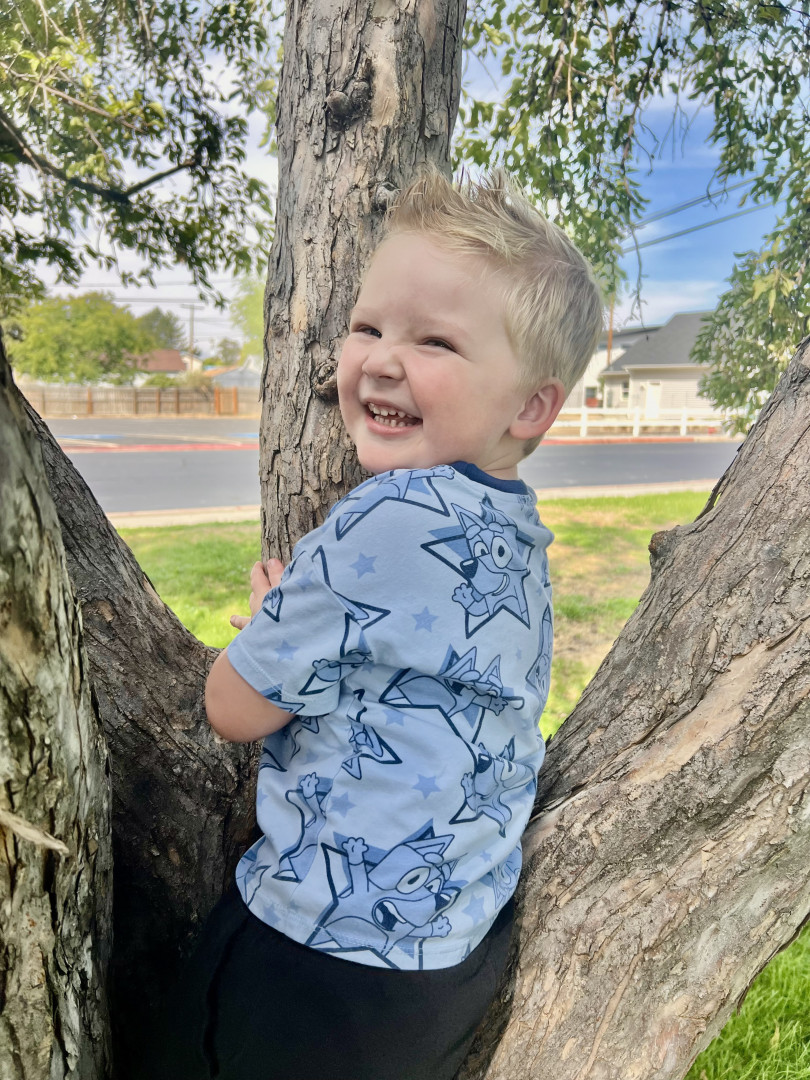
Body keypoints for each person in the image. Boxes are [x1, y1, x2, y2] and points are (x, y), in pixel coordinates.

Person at [165, 169, 602, 1080]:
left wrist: (276, 621)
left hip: (318, 951)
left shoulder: (392, 515)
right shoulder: (512, 529)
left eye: (434, 340)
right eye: (368, 327)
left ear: (531, 406)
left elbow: (232, 710)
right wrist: (308, 617)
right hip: (443, 954)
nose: (381, 359)